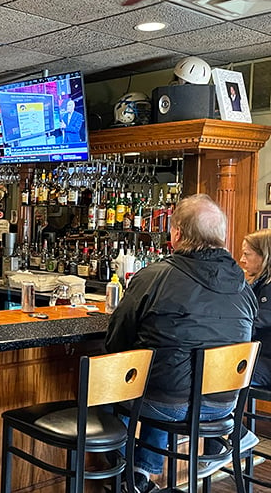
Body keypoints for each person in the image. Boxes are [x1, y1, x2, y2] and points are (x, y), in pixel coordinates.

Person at [105, 194, 257, 493]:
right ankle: (140, 471)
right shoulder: (243, 285)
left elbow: (116, 343)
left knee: (117, 390)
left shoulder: (154, 277)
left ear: (176, 233)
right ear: (221, 237)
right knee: (163, 379)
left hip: (165, 404)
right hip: (223, 406)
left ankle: (129, 474)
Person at [239, 229, 271, 386]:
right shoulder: (260, 284)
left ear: (264, 256)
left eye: (247, 254)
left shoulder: (268, 288)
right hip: (259, 356)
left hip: (266, 361)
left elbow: (253, 324)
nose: (241, 259)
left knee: (217, 371)